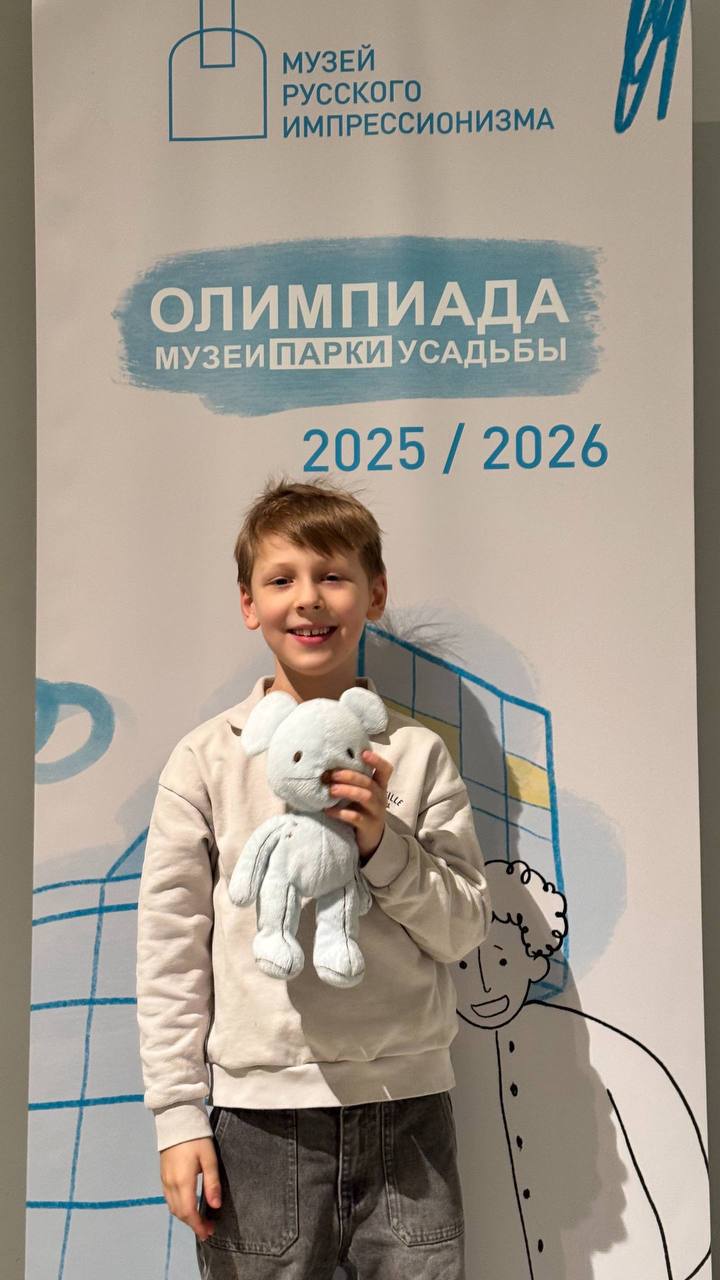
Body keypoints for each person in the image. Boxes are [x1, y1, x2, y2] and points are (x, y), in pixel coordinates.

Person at [136, 476, 492, 1279]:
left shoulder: (415, 755)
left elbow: (464, 929)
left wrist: (382, 847)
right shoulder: (208, 758)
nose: (308, 599)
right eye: (281, 579)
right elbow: (170, 952)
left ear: (375, 594)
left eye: (332, 575)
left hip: (408, 1118)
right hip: (259, 1126)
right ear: (248, 603)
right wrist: (178, 1117)